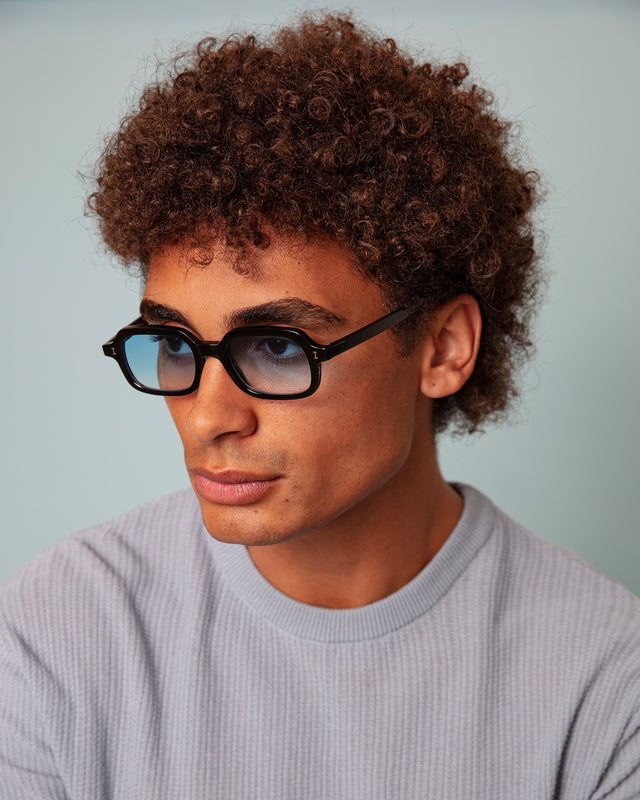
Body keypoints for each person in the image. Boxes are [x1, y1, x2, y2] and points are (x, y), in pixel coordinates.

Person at [1, 12, 639, 799]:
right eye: (174, 345)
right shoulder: (60, 627)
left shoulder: (608, 681)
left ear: (443, 348)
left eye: (276, 347)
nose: (207, 419)